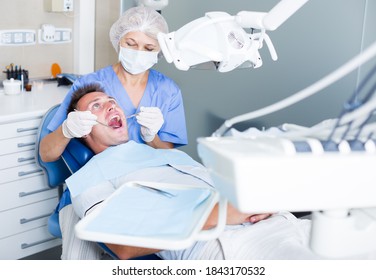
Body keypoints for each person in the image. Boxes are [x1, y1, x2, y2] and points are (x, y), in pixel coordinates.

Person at [61, 83, 318, 260]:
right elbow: (122, 246)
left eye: (112, 102)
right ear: (82, 127)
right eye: (96, 106)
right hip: (231, 246)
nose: (111, 107)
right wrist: (220, 214)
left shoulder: (168, 154)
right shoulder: (89, 176)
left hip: (285, 222)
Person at [40, 6, 187, 163]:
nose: (138, 53)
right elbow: (46, 154)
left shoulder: (168, 91)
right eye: (131, 44)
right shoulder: (88, 85)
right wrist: (66, 130)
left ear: (159, 52)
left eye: (149, 48)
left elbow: (170, 158)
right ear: (119, 41)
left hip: (151, 176)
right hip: (108, 177)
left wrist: (151, 137)